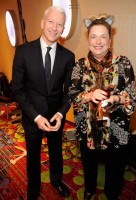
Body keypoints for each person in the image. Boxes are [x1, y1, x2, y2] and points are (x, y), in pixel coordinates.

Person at [68, 14, 136, 200]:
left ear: (110, 39)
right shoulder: (79, 66)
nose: (98, 41)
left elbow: (132, 101)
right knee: (88, 163)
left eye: (103, 36)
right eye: (93, 36)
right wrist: (88, 95)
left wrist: (116, 98)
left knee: (115, 166)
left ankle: (112, 192)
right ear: (88, 38)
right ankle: (89, 188)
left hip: (116, 129)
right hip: (87, 128)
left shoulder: (123, 64)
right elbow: (71, 94)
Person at [12, 6, 75, 200]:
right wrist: (36, 116)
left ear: (63, 29)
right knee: (33, 155)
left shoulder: (68, 56)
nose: (55, 28)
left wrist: (60, 113)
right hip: (32, 116)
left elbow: (70, 91)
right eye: (51, 22)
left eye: (60, 25)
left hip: (56, 116)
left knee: (56, 151)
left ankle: (56, 180)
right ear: (42, 23)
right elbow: (18, 89)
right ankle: (33, 189)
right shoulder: (23, 52)